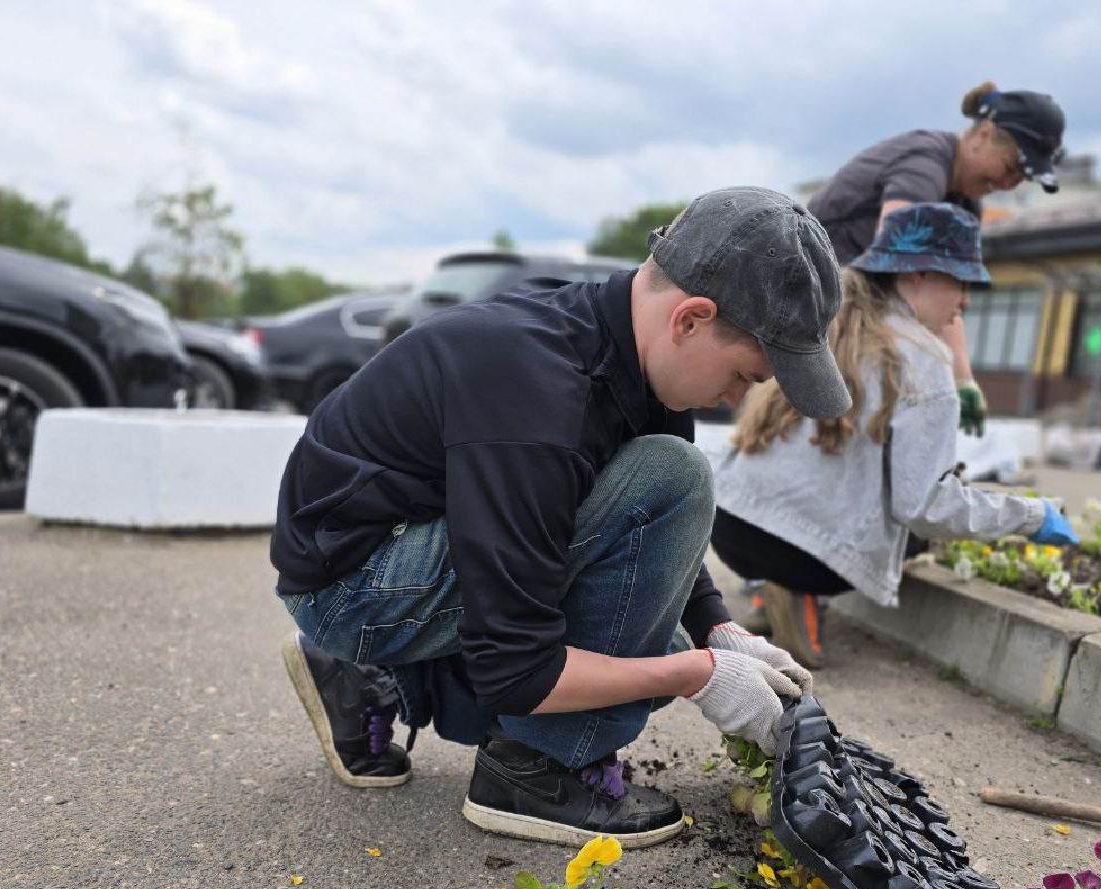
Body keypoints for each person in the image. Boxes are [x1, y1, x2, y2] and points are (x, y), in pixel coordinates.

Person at [271, 186, 847, 850]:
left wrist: (720, 632)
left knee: (644, 636)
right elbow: (518, 668)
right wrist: (699, 676)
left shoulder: (625, 348)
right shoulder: (539, 394)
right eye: (747, 373)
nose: (738, 396)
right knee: (652, 615)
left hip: (398, 542)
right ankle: (532, 772)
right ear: (690, 319)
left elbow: (650, 543)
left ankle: (384, 680)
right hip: (354, 584)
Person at [711, 203, 1078, 668]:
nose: (965, 302)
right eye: (960, 282)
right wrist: (1029, 515)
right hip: (801, 554)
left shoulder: (827, 320)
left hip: (731, 526)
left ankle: (770, 594)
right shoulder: (924, 359)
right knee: (920, 534)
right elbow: (924, 506)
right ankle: (793, 588)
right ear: (918, 276)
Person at [806, 80, 1066, 436]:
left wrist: (964, 380)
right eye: (1010, 168)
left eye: (1021, 179)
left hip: (841, 315)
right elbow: (902, 264)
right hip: (809, 304)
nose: (1008, 184)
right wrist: (945, 374)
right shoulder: (924, 166)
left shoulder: (964, 205)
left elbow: (943, 297)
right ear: (984, 134)